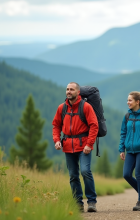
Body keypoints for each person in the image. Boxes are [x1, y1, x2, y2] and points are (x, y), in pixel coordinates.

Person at [52, 82, 99, 212]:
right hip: (67, 146)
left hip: (84, 146)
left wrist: (89, 144)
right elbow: (56, 126)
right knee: (73, 175)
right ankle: (78, 203)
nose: (69, 91)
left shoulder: (86, 107)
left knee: (85, 172)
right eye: (67, 89)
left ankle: (91, 202)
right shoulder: (62, 108)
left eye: (71, 89)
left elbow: (94, 126)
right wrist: (57, 140)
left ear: (78, 92)